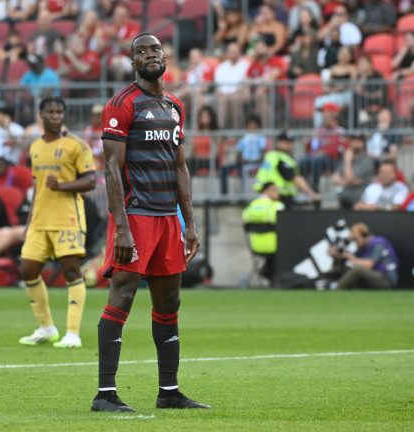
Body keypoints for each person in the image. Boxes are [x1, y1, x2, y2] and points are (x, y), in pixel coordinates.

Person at [93, 33, 209, 413]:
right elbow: (111, 169)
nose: (150, 55)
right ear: (133, 62)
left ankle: (169, 391)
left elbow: (180, 166)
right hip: (136, 214)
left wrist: (189, 223)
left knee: (169, 301)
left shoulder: (175, 106)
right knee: (123, 295)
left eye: (155, 49)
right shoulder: (122, 104)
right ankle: (105, 395)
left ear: (164, 56)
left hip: (166, 219)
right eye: (141, 51)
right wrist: (122, 226)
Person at [18, 96, 96, 350]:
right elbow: (36, 186)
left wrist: (62, 185)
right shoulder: (35, 147)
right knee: (28, 270)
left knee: (71, 272)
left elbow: (91, 181)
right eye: (50, 112)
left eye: (59, 112)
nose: (55, 116)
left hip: (68, 219)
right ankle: (47, 328)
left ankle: (72, 333)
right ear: (41, 115)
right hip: (40, 219)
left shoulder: (77, 145)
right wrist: (29, 222)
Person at [255, 131, 319, 209]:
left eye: (290, 141)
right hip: (279, 196)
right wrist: (312, 194)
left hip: (266, 195)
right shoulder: (281, 158)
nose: (289, 144)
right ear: (278, 142)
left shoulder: (271, 155)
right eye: (285, 141)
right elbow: (296, 178)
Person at [329, 222, 398, 289]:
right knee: (346, 268)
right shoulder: (362, 247)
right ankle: (326, 282)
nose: (355, 242)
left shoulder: (378, 243)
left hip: (386, 279)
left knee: (358, 270)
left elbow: (368, 265)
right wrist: (337, 255)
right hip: (373, 277)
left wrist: (350, 257)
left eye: (356, 239)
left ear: (364, 235)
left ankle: (336, 287)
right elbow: (351, 260)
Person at [242, 182, 284, 281]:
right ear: (267, 190)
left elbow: (246, 222)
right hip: (274, 246)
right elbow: (285, 223)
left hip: (255, 246)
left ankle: (267, 271)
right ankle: (274, 275)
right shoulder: (277, 205)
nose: (278, 193)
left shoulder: (252, 205)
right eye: (275, 190)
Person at [220, 115, 267, 195]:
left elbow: (263, 155)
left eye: (254, 126)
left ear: (258, 127)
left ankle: (262, 194)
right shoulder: (243, 139)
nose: (252, 128)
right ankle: (228, 195)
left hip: (257, 164)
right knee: (225, 170)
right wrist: (242, 160)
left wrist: (253, 161)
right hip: (244, 164)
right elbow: (239, 155)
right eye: (250, 126)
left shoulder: (261, 138)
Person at [331, 134, 376, 209]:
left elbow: (350, 179)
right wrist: (346, 182)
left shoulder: (367, 160)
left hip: (359, 198)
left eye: (358, 140)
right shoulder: (345, 157)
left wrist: (348, 161)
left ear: (363, 143)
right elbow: (334, 178)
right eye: (353, 140)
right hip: (344, 197)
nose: (355, 142)